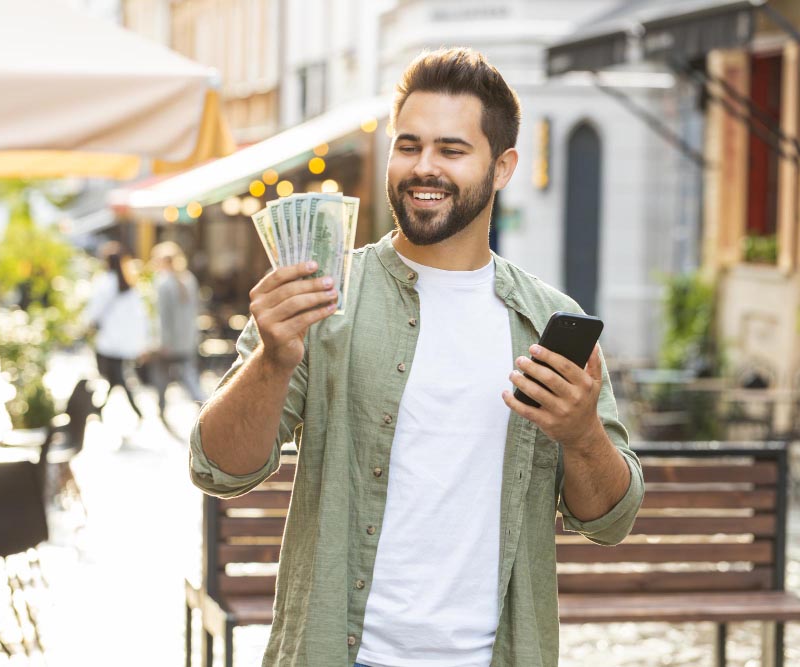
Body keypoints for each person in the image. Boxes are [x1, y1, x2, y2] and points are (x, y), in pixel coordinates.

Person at [189, 48, 645, 667]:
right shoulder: (322, 296)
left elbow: (610, 520)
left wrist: (582, 433)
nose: (423, 167)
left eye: (452, 150)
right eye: (409, 146)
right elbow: (219, 469)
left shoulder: (546, 320)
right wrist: (270, 361)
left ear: (503, 166)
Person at [84, 242, 150, 430]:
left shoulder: (105, 283)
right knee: (115, 378)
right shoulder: (129, 285)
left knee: (116, 377)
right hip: (124, 341)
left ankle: (103, 408)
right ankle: (100, 408)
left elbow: (94, 310)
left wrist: (87, 325)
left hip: (109, 341)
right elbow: (141, 316)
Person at [149, 241, 204, 422]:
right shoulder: (189, 279)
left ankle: (161, 407)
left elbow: (163, 317)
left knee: (162, 375)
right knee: (189, 375)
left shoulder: (164, 282)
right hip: (187, 339)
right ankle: (202, 403)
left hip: (170, 342)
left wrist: (163, 342)